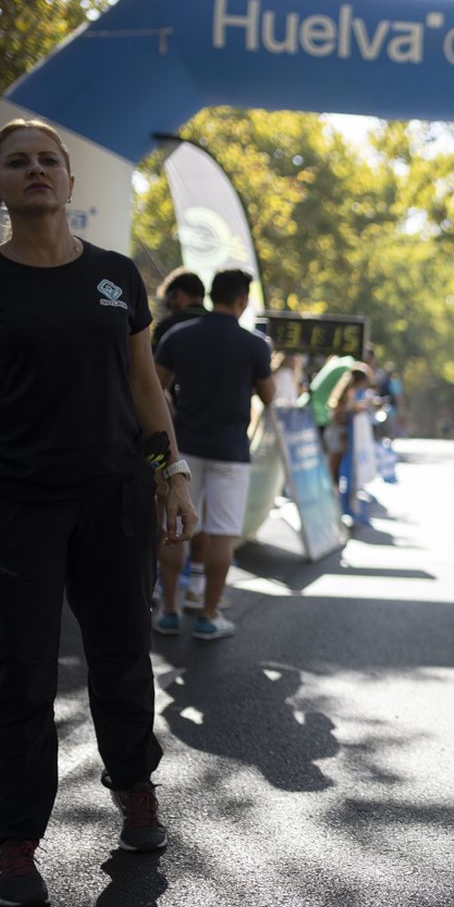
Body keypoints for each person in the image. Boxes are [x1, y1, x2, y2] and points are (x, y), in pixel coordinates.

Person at [0, 119, 198, 907]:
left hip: (113, 498)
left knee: (121, 656)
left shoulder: (116, 275)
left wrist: (169, 469)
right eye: (18, 162)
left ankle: (134, 786)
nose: (35, 170)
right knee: (18, 675)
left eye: (48, 160)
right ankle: (13, 843)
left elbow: (145, 386)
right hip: (8, 503)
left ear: (70, 182)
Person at [152, 268, 275, 641]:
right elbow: (271, 398)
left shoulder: (178, 335)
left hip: (183, 449)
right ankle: (208, 615)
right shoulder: (254, 345)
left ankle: (169, 611)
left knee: (173, 530)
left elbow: (154, 388)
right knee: (221, 535)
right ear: (241, 301)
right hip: (231, 452)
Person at [150, 266, 207, 352]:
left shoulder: (167, 327)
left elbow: (152, 362)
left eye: (168, 303)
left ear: (178, 295)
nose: (170, 310)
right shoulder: (221, 325)